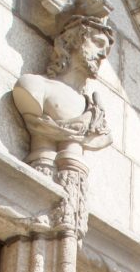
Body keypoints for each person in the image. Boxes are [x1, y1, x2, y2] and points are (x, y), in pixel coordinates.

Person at [13, 14, 115, 176]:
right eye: (97, 43)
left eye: (106, 50)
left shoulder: (93, 112)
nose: (103, 55)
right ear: (73, 40)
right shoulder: (34, 86)